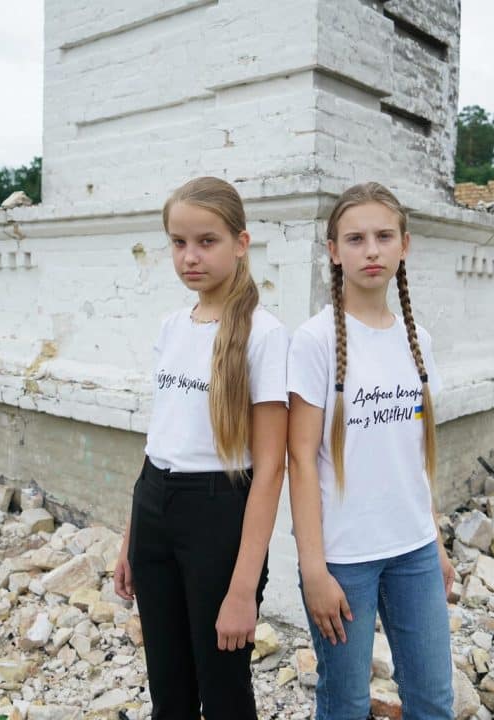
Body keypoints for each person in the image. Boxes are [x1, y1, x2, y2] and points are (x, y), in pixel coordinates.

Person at [113, 176, 289, 720]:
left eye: (206, 241)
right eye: (178, 242)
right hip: (155, 506)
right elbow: (160, 440)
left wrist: (242, 591)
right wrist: (131, 538)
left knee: (224, 687)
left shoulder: (263, 334)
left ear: (241, 243)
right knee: (167, 686)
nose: (190, 257)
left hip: (218, 514)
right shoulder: (171, 326)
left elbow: (270, 470)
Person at [287, 182, 455, 720]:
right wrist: (313, 568)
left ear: (405, 244)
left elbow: (412, 452)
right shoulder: (314, 342)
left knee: (433, 698)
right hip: (345, 560)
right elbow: (301, 461)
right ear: (334, 251)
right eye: (355, 239)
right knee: (346, 703)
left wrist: (436, 538)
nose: (372, 250)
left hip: (415, 551)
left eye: (384, 236)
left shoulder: (417, 339)